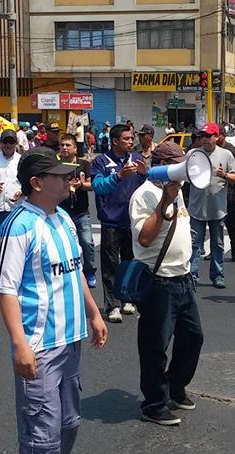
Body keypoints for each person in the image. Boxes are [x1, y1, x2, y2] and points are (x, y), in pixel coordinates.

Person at [0, 151, 107, 454]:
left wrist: (93, 313)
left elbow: (76, 273)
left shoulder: (63, 218)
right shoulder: (17, 226)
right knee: (41, 433)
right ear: (37, 182)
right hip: (39, 345)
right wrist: (19, 344)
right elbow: (4, 289)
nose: (71, 181)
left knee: (68, 424)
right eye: (62, 176)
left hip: (69, 341)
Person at [129, 141, 203, 426]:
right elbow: (145, 238)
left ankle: (174, 386)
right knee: (155, 346)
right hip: (158, 282)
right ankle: (154, 403)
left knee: (193, 338)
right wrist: (164, 202)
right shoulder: (144, 194)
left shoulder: (177, 191)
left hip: (183, 280)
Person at [90, 124, 147, 322]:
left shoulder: (138, 159)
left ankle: (127, 299)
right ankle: (112, 304)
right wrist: (119, 176)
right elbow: (97, 186)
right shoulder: (100, 161)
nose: (131, 141)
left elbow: (147, 186)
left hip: (133, 221)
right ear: (115, 141)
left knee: (130, 263)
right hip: (111, 221)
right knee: (110, 265)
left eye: (132, 138)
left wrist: (145, 173)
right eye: (127, 139)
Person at [188, 123, 235, 288]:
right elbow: (182, 174)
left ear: (216, 137)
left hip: (217, 208)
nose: (204, 139)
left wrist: (224, 175)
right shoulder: (193, 154)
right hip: (196, 208)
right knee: (194, 243)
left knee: (217, 243)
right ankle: (192, 275)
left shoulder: (226, 155)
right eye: (202, 136)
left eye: (208, 136)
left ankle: (217, 275)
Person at [58, 134, 97, 288]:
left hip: (81, 212)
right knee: (63, 244)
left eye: (68, 145)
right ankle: (67, 273)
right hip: (61, 212)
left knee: (87, 242)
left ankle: (89, 271)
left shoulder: (84, 164)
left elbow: (92, 184)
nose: (64, 148)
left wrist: (82, 185)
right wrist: (65, 186)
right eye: (62, 145)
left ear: (75, 148)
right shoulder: (57, 165)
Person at [218, 128, 235, 261]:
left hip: (230, 192)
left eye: (217, 135)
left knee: (232, 224)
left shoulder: (232, 151)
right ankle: (216, 251)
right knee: (216, 225)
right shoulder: (209, 151)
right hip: (215, 193)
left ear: (223, 136)